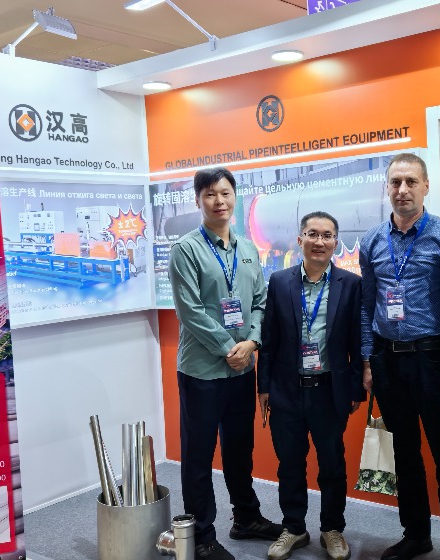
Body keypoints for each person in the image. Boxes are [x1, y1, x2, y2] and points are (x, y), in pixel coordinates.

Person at [360, 153, 440, 560]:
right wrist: (368, 360)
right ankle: (416, 535)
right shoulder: (372, 241)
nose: (403, 190)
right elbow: (367, 306)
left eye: (411, 182)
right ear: (387, 188)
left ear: (426, 186)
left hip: (433, 360)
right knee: (404, 453)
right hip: (388, 360)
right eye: (395, 182)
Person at [168, 167, 283, 560]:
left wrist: (251, 343)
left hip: (241, 369)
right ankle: (201, 536)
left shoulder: (248, 248)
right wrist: (229, 348)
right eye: (210, 194)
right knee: (199, 456)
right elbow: (190, 311)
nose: (219, 201)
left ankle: (245, 517)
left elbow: (261, 303)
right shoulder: (186, 249)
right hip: (202, 371)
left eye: (225, 193)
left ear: (235, 197)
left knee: (239, 449)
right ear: (198, 200)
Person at [258, 211, 365, 560]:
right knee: (289, 464)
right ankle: (294, 528)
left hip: (329, 390)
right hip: (286, 389)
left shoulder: (351, 284)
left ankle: (332, 529)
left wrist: (355, 389)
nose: (320, 242)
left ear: (336, 241)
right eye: (312, 234)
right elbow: (269, 339)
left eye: (327, 235)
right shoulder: (279, 281)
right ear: (300, 239)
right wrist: (263, 387)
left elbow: (357, 342)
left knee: (332, 464)